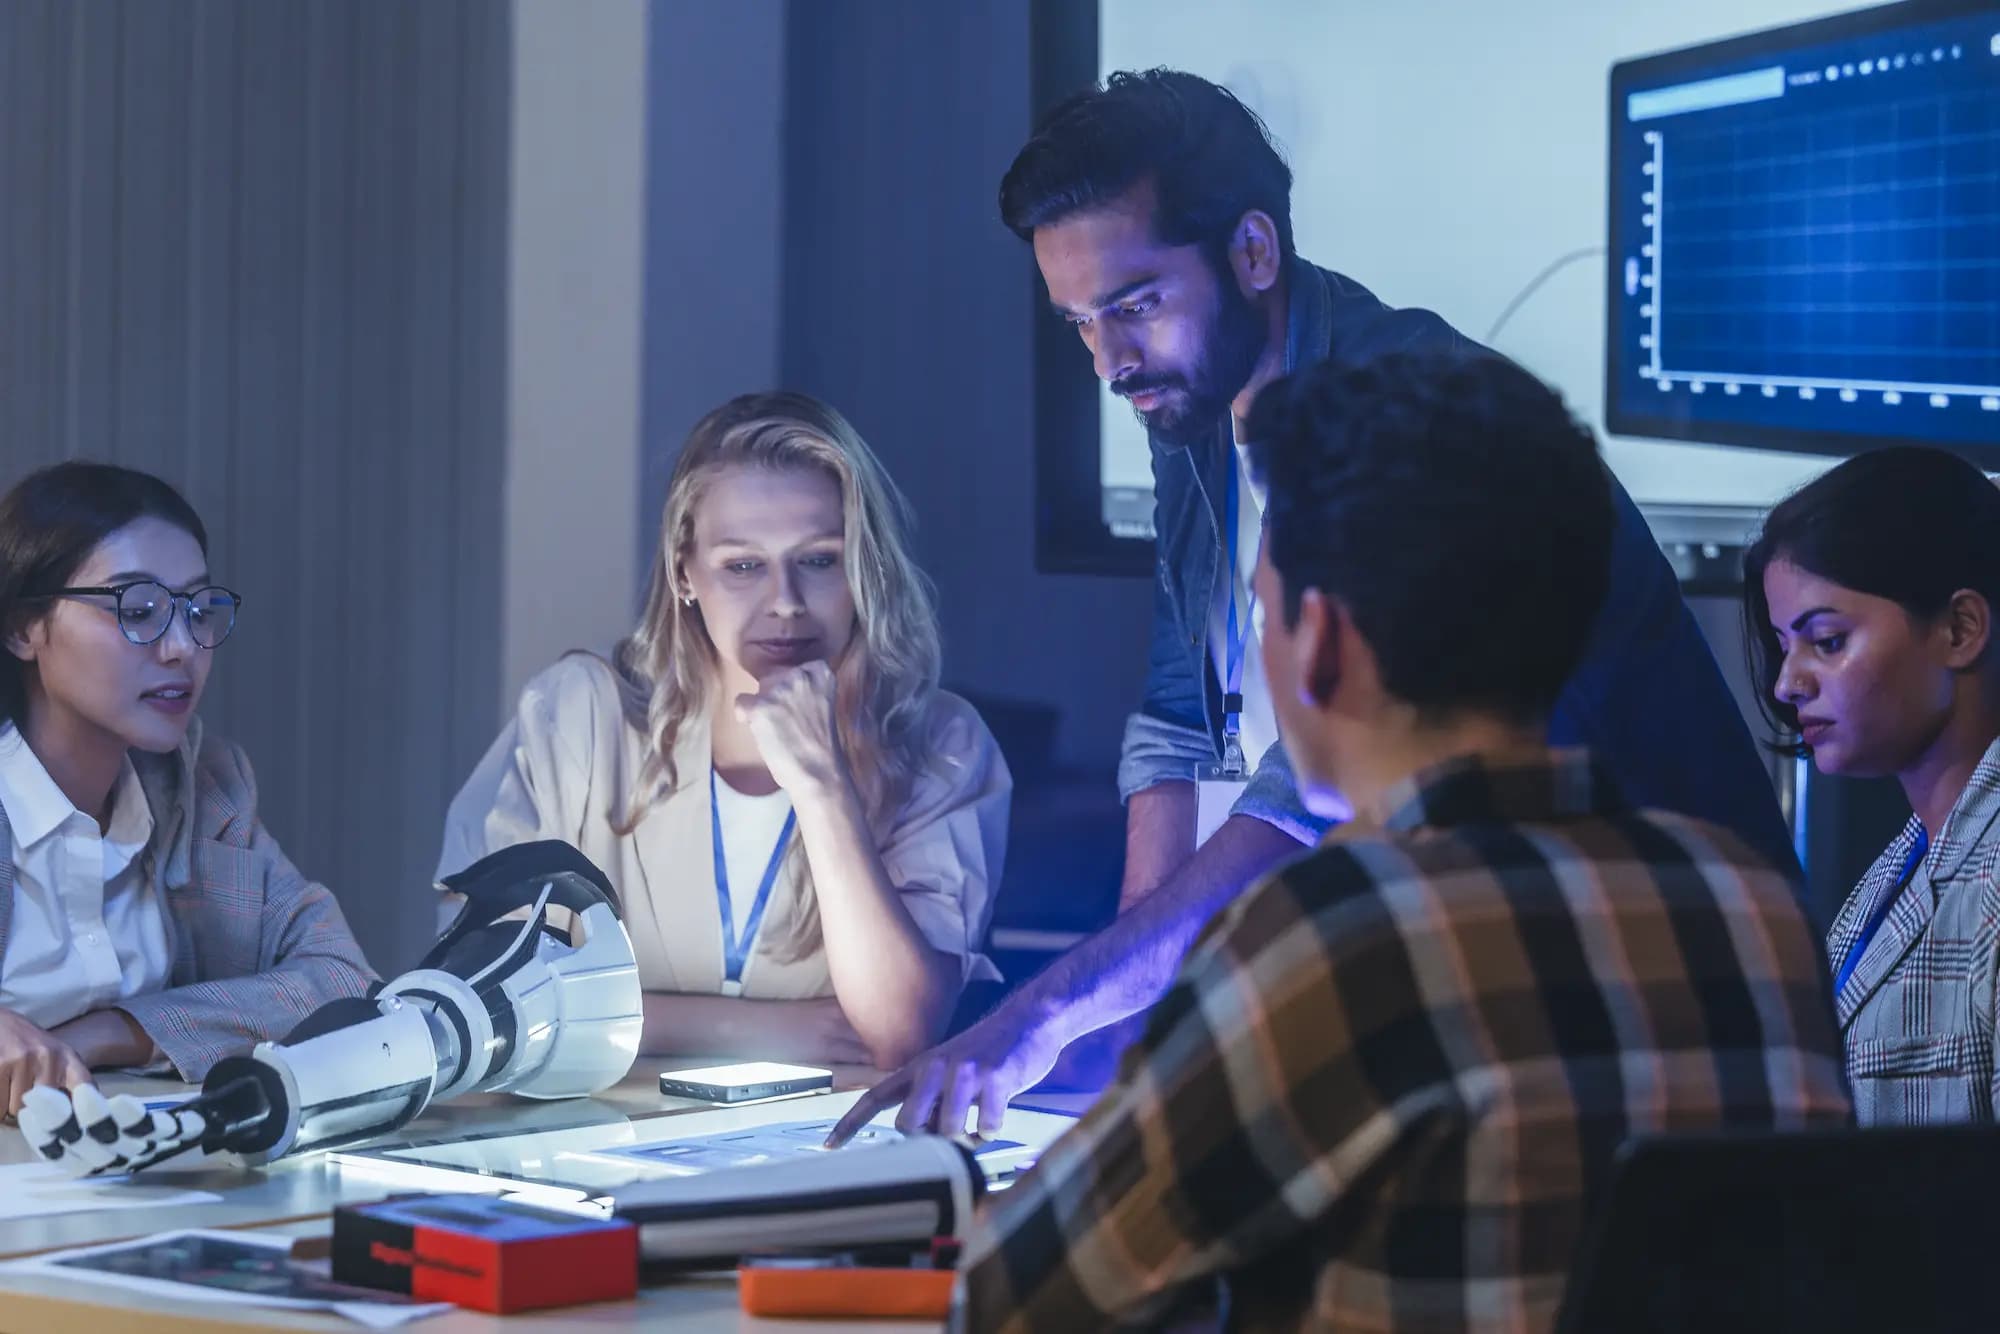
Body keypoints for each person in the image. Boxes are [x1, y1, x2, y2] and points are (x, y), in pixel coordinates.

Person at [833, 67, 1795, 1143]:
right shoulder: (1192, 402)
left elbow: (1301, 801)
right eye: (1078, 323)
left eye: (1134, 305)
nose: (1108, 360)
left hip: (1610, 986)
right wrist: (1119, 1028)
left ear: (1253, 252)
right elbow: (1174, 724)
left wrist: (1045, 1013)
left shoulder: (1408, 422)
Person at [954, 350, 1851, 1333]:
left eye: (1259, 609)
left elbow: (1020, 1296)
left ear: (1323, 641)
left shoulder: (1331, 934)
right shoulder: (1752, 905)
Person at [438, 392, 1010, 1070]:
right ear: (685, 572)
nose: (786, 603)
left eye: (820, 559)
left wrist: (823, 786)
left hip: (828, 1153)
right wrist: (765, 1031)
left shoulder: (941, 743)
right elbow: (485, 992)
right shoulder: (579, 717)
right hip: (593, 1144)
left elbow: (896, 1030)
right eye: (743, 565)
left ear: (864, 568)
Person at [0, 462, 375, 1116]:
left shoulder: (207, 789)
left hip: (137, 1185)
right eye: (137, 610)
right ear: (23, 628)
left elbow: (344, 983)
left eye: (200, 610)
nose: (181, 647)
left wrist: (110, 1033)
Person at [1745, 446, 2000, 1125]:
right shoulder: (1893, 875)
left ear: (1960, 629)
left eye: (1825, 640)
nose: (1786, 682)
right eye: (1783, 644)